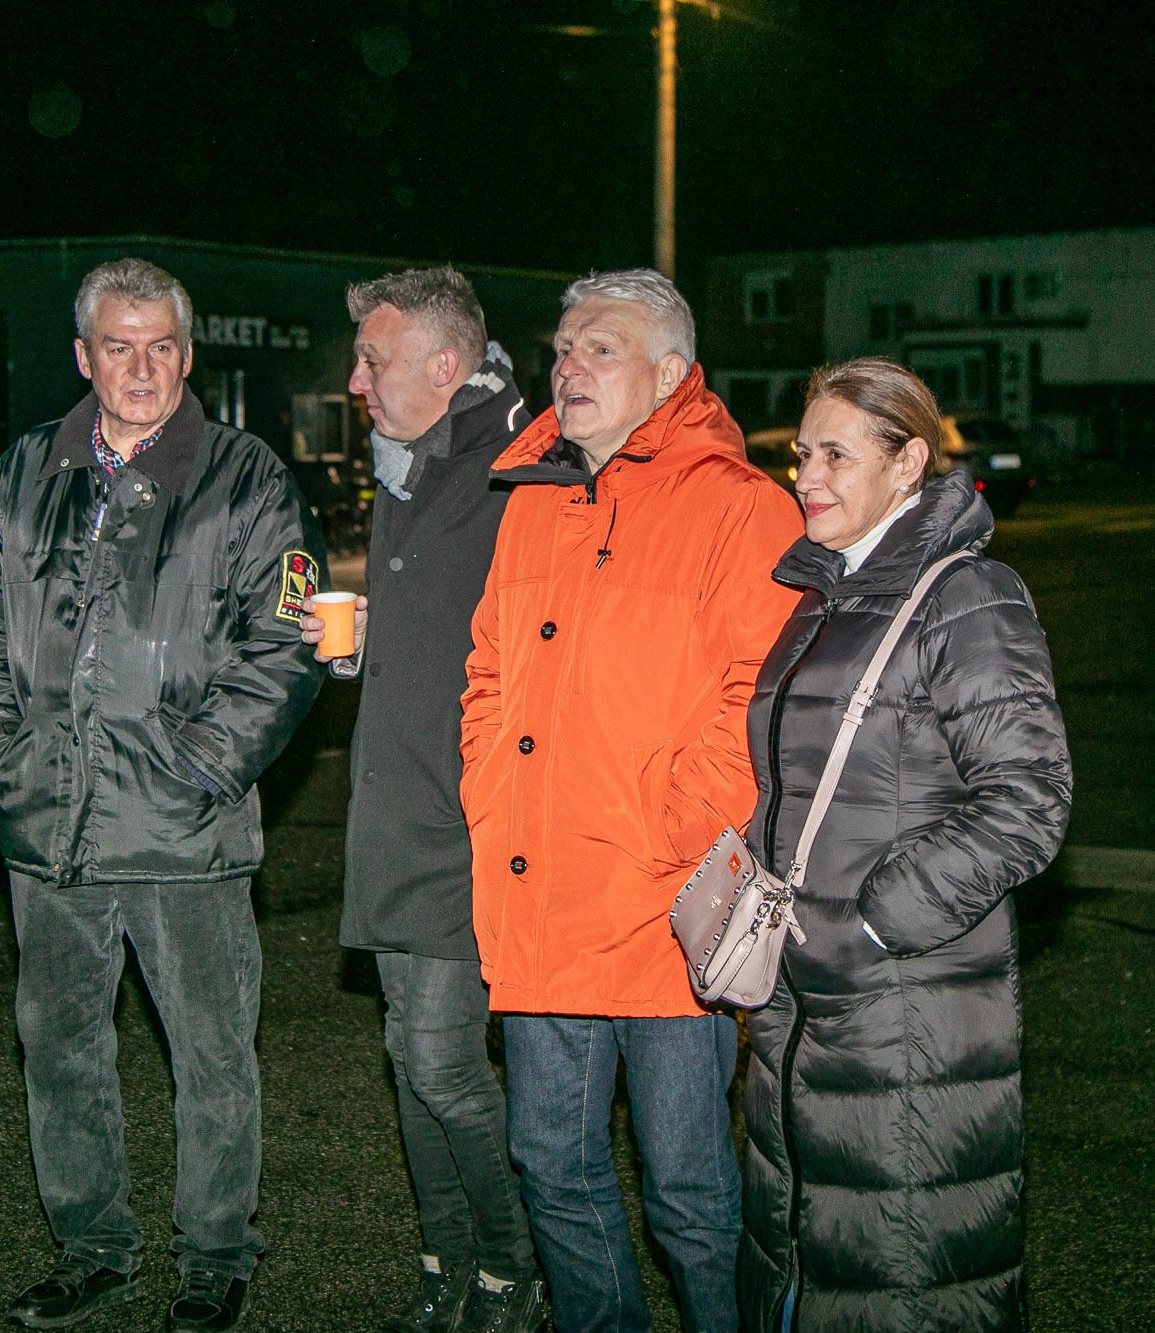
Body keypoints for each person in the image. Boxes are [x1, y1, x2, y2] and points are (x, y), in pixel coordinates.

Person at [0, 258, 324, 1333]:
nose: (141, 368)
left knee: (211, 1055)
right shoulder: (23, 473)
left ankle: (214, 1253)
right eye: (119, 346)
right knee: (60, 1049)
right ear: (83, 356)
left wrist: (201, 766)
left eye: (160, 347)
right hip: (48, 827)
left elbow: (287, 638)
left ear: (187, 355)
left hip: (184, 831)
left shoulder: (245, 478)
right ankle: (92, 1247)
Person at [458, 269, 803, 1333]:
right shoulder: (535, 500)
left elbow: (760, 700)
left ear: (668, 375)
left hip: (662, 911)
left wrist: (671, 832)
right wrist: (491, 793)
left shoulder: (739, 507)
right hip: (541, 890)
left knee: (689, 1193)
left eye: (599, 347)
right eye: (563, 348)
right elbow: (486, 674)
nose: (568, 365)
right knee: (550, 1165)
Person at [736, 360, 1071, 1332]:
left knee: (902, 1273)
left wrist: (874, 923)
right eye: (802, 454)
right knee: (812, 1259)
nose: (806, 476)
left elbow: (1028, 799)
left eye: (835, 455)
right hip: (801, 1008)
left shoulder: (966, 595)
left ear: (908, 461)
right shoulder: (827, 592)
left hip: (905, 1011)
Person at [298, 268, 545, 1333]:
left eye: (374, 360)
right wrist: (358, 650)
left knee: (442, 1061)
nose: (356, 381)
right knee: (409, 1058)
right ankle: (448, 1261)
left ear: (446, 367)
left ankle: (515, 1272)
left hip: (465, 826)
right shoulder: (412, 466)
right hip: (397, 814)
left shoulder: (514, 473)